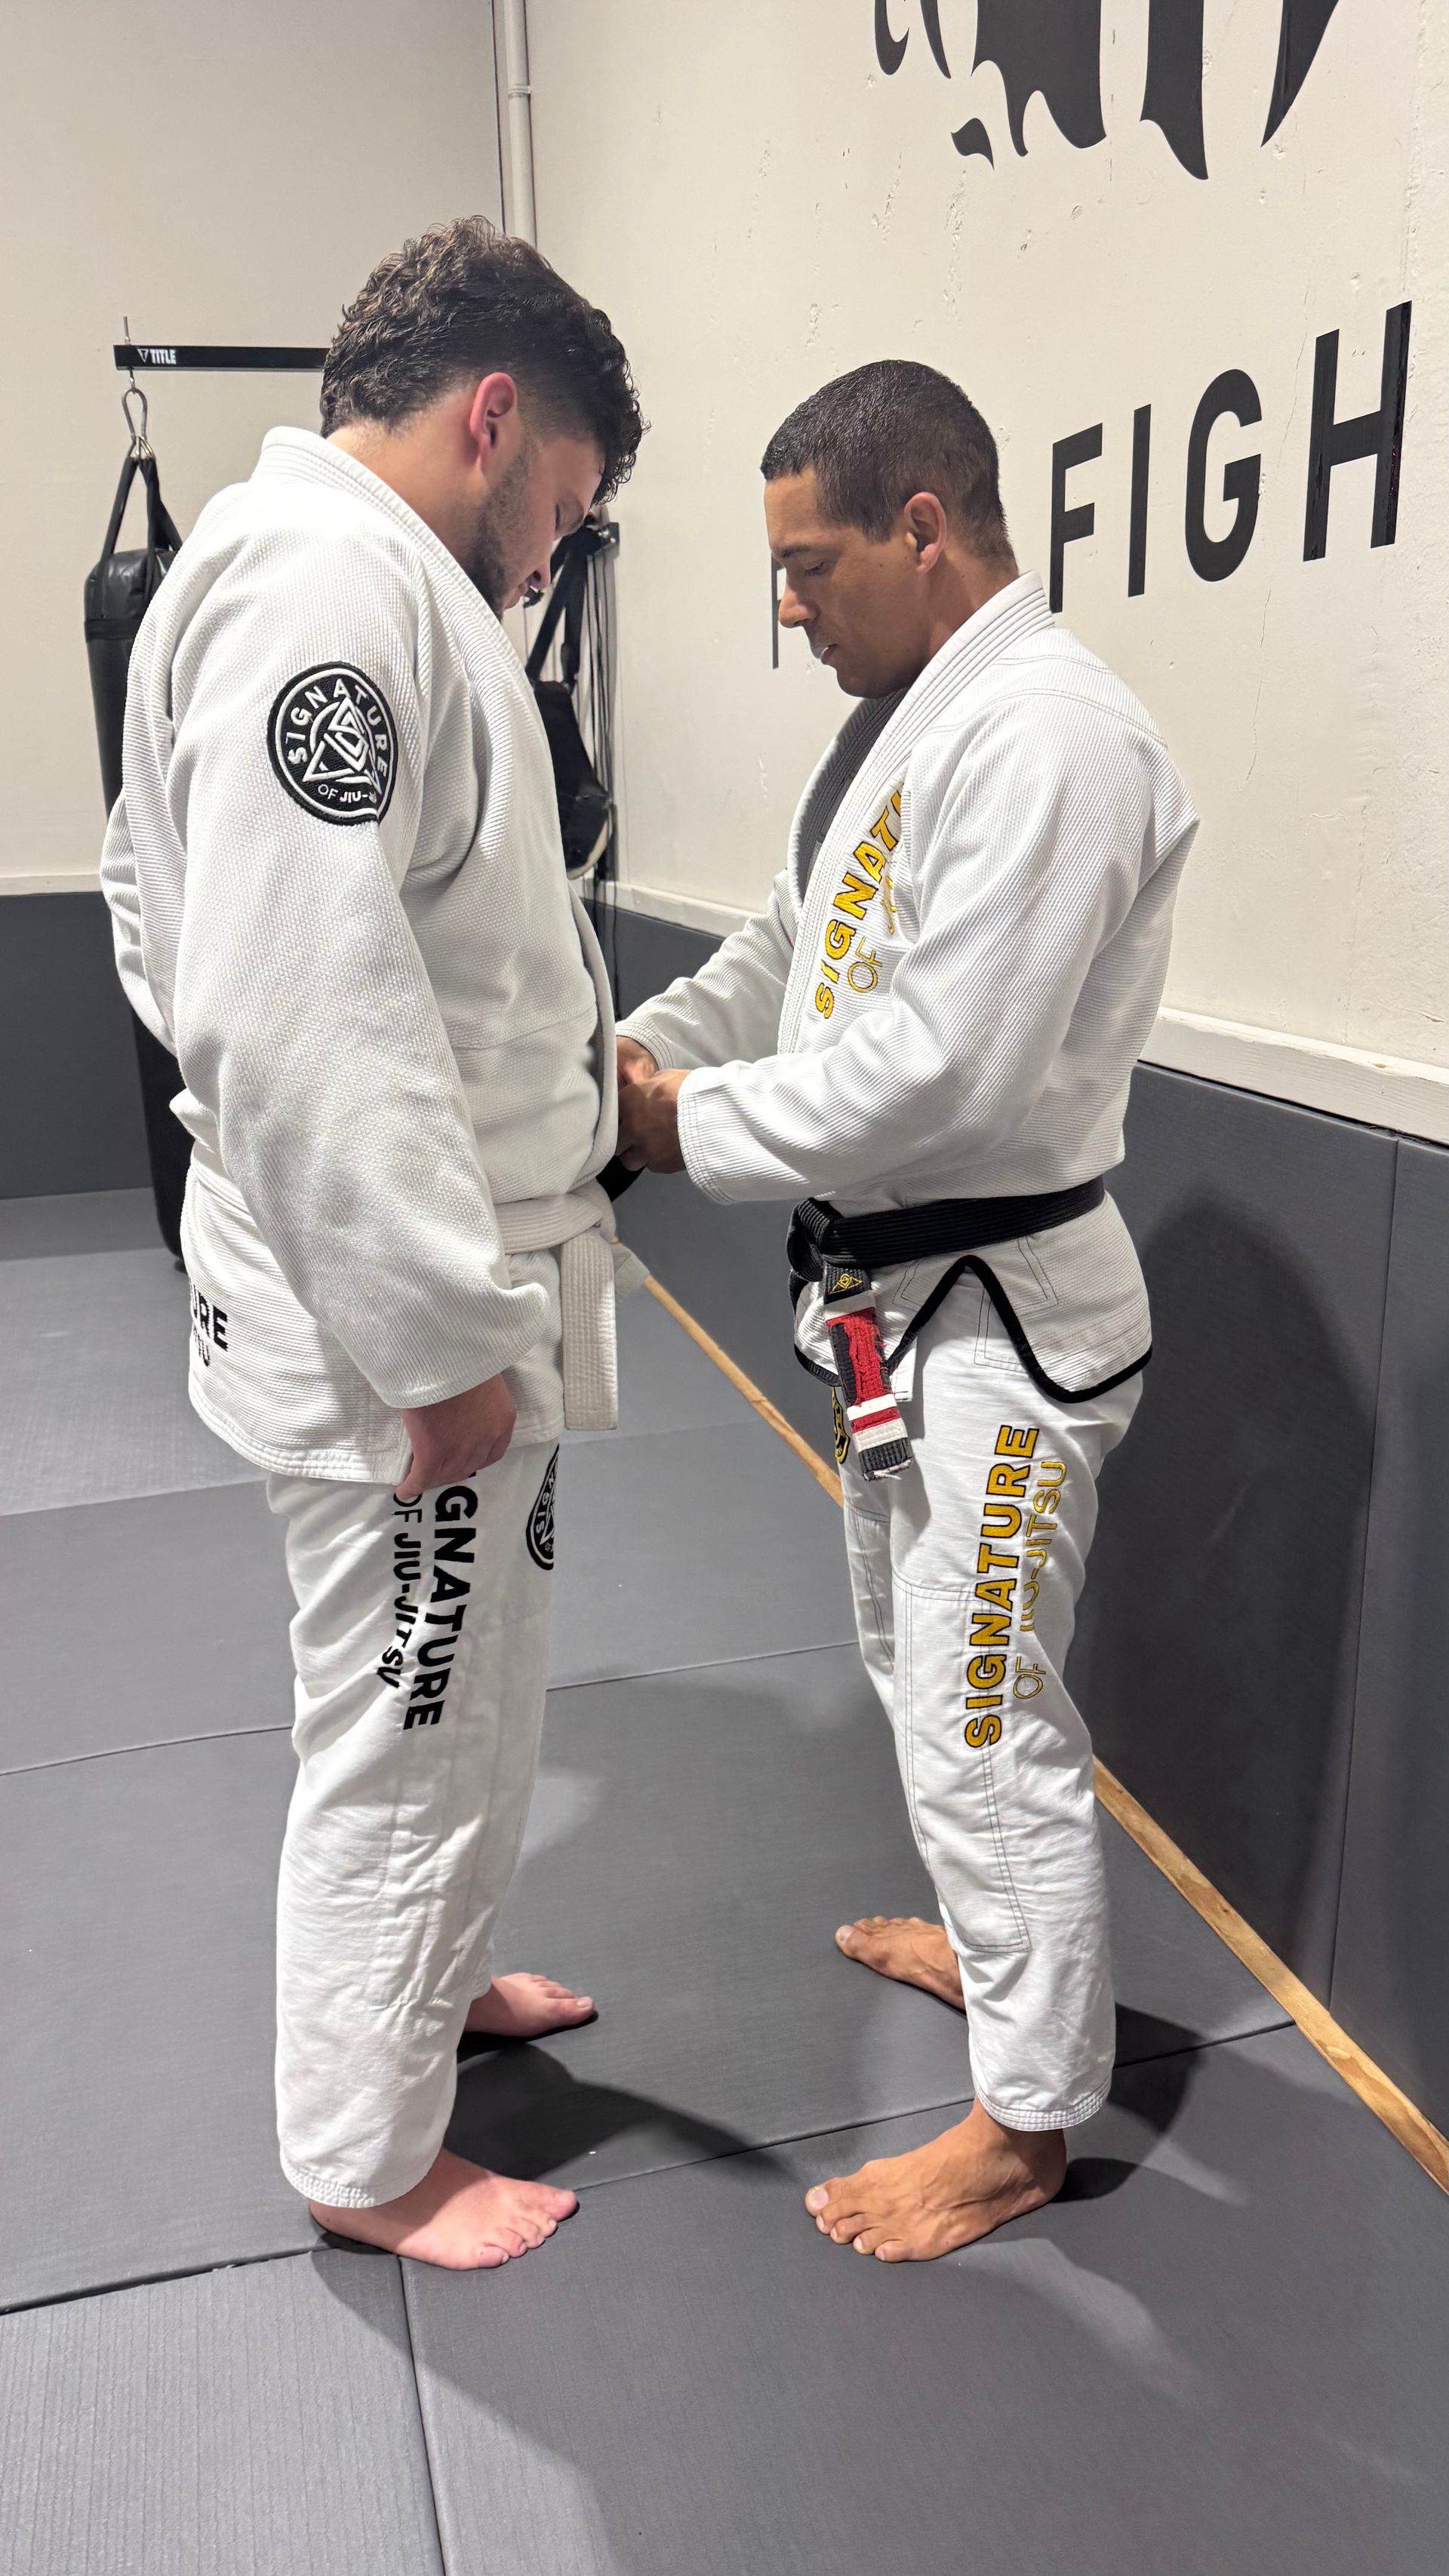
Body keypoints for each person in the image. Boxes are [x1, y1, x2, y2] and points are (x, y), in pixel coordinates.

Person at [100, 217, 644, 2272]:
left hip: (444, 1275)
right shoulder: (327, 588)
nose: (548, 556)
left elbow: (165, 925)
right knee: (408, 1729)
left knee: (476, 1693)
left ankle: (435, 1983)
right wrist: (429, 1334)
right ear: (493, 415)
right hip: (397, 1332)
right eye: (565, 507)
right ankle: (363, 2141)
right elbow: (284, 991)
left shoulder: (338, 581)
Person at [616, 359, 1197, 2263]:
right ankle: (1003, 1950)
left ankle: (1030, 2122)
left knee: (980, 1704)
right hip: (898, 1306)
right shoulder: (900, 724)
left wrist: (683, 1122)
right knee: (913, 1662)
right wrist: (643, 1052)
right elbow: (793, 956)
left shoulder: (1054, 738)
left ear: (924, 528)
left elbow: (947, 1068)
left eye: (810, 564)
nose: (787, 607)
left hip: (1005, 1307)